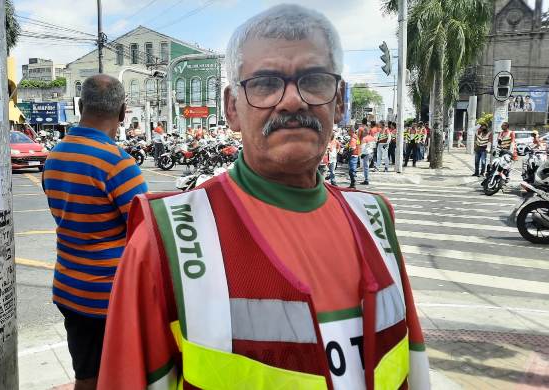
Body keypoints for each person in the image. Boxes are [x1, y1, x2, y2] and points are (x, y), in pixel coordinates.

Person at [98, 5, 430, 389]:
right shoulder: (166, 242)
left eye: (314, 79)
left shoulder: (375, 220)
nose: (292, 101)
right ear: (231, 109)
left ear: (339, 102)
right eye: (265, 83)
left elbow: (412, 369)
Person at [42, 75, 148, 390]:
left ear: (80, 105)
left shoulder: (55, 155)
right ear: (122, 112)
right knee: (118, 378)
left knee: (85, 375)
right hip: (109, 298)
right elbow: (144, 234)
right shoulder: (119, 164)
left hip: (68, 289)